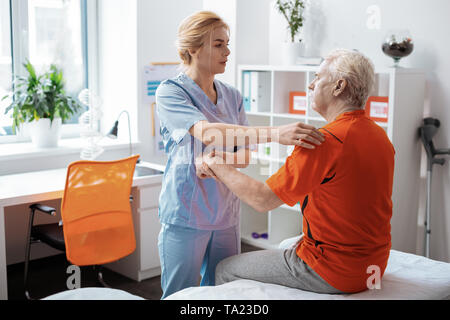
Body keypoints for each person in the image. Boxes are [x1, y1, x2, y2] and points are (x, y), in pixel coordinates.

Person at [155, 10, 324, 299]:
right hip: (186, 213)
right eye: (218, 44)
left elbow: (244, 156)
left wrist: (214, 163)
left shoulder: (231, 95)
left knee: (225, 290)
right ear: (194, 48)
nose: (228, 51)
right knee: (180, 296)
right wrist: (274, 133)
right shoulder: (170, 92)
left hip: (226, 213)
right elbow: (207, 133)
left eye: (227, 43)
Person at [201, 49, 395, 294]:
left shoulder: (323, 142)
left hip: (335, 271)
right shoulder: (380, 137)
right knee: (290, 243)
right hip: (374, 265)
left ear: (339, 86)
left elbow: (262, 199)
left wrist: (216, 163)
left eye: (317, 77)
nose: (311, 85)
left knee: (225, 268)